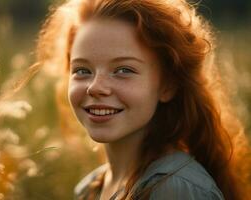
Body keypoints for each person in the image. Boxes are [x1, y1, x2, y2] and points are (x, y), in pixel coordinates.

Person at [35, 0, 251, 199]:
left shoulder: (173, 188)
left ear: (168, 85)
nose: (95, 87)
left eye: (123, 69)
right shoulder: (89, 189)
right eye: (82, 70)